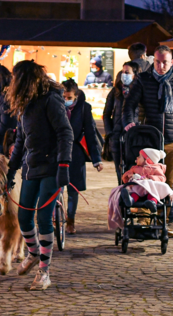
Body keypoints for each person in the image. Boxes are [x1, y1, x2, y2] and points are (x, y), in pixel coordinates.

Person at [6, 60, 73, 291]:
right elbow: (20, 140)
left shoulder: (51, 99)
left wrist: (64, 164)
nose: (12, 83)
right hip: (31, 167)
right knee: (24, 217)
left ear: (26, 79)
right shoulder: (25, 103)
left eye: (15, 78)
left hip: (52, 168)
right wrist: (11, 169)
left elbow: (65, 132)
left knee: (44, 218)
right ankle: (33, 252)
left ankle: (44, 271)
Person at [121, 45, 173, 190]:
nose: (161, 66)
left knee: (168, 183)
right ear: (153, 61)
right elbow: (129, 104)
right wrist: (129, 123)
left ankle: (168, 210)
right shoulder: (143, 79)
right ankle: (149, 211)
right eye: (157, 62)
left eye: (165, 62)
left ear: (172, 62)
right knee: (149, 180)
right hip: (150, 139)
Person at [61, 79, 103, 234]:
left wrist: (96, 159)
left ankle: (70, 220)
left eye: (69, 97)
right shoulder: (55, 106)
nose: (66, 100)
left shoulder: (84, 108)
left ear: (76, 96)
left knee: (73, 190)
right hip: (57, 152)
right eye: (64, 97)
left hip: (76, 154)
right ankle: (54, 219)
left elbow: (91, 134)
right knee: (54, 188)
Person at [103, 62, 139, 183]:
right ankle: (121, 194)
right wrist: (110, 133)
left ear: (135, 75)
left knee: (133, 169)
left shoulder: (139, 92)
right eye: (123, 72)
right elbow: (106, 114)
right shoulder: (115, 92)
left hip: (133, 137)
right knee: (119, 171)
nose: (124, 75)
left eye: (127, 72)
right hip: (117, 136)